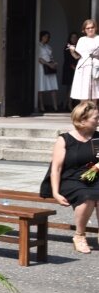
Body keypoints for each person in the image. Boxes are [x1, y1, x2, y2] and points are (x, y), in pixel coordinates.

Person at [45, 100, 99, 254]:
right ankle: (79, 236)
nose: (98, 121)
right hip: (70, 179)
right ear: (82, 120)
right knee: (87, 196)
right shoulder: (65, 139)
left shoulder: (97, 138)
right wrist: (55, 192)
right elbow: (56, 168)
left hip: (94, 177)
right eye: (95, 118)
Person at [69, 19, 99, 103]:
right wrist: (72, 52)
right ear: (84, 30)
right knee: (83, 91)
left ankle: (93, 113)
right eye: (87, 28)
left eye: (92, 27)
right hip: (83, 67)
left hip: (95, 66)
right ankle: (83, 113)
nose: (90, 29)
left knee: (95, 92)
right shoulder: (82, 40)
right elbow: (77, 57)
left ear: (95, 28)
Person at [37, 31, 58, 113]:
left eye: (48, 37)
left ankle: (55, 106)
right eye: (45, 36)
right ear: (41, 37)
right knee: (41, 87)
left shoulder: (48, 46)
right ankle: (41, 106)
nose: (46, 38)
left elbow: (51, 57)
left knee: (53, 87)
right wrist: (48, 65)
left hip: (50, 66)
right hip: (42, 67)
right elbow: (39, 58)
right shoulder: (38, 45)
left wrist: (54, 63)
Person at [63, 31, 80, 110]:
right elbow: (68, 59)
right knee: (70, 88)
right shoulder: (68, 46)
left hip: (77, 68)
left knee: (73, 88)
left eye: (76, 37)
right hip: (69, 69)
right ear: (70, 38)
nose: (74, 39)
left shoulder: (79, 46)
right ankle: (69, 105)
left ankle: (65, 105)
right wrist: (73, 67)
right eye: (73, 37)